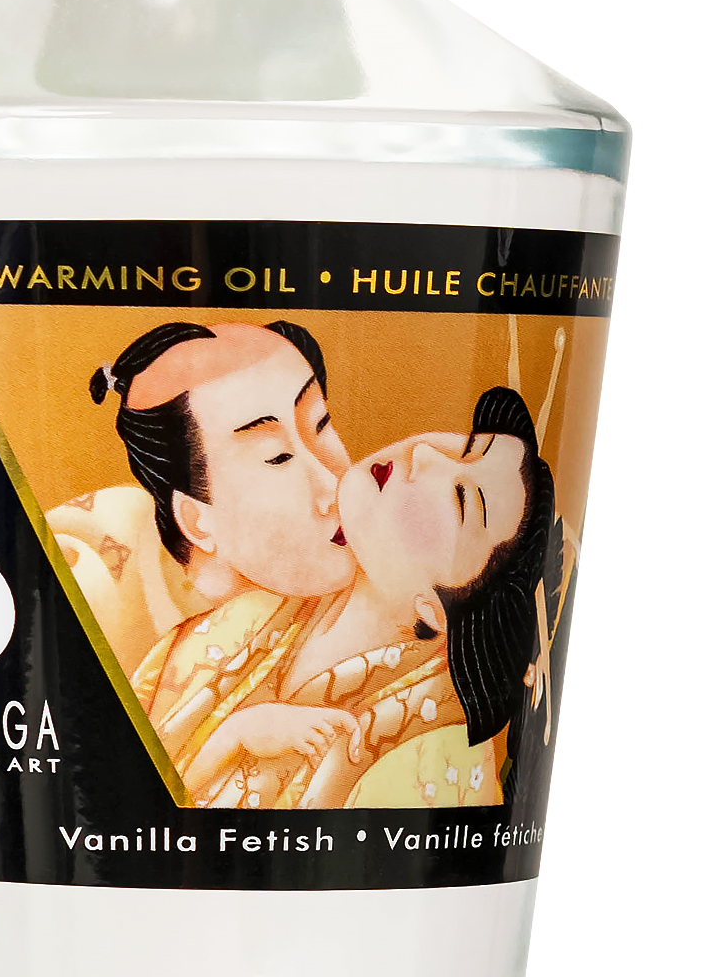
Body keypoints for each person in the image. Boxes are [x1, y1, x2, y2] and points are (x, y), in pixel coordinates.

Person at [133, 387, 560, 813]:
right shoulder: (257, 612)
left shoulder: (437, 752)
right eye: (467, 446)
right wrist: (235, 735)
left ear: (437, 610)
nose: (426, 454)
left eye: (462, 499)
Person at [49, 320, 354, 675]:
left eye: (321, 423)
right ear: (197, 520)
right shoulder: (99, 591)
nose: (333, 487)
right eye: (277, 456)